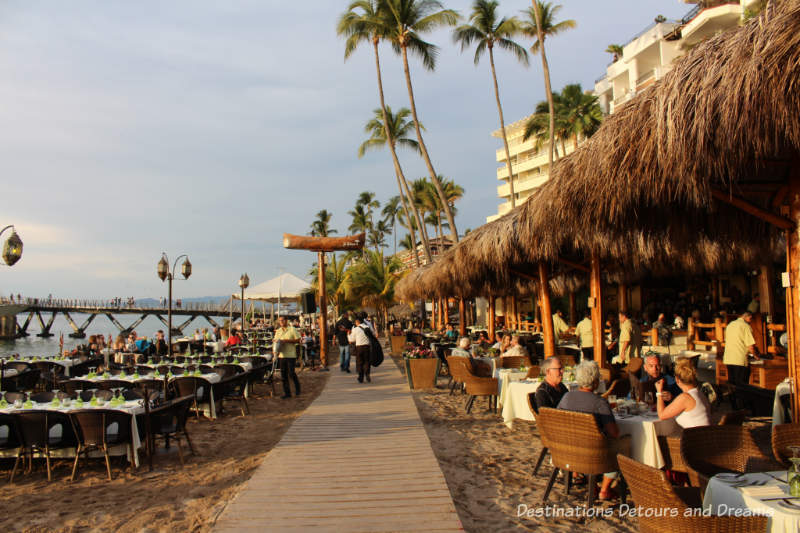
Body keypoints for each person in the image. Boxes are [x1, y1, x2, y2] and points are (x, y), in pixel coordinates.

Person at [557, 361, 628, 501]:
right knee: (622, 446)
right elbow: (614, 433)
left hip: (567, 451)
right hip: (592, 456)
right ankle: (604, 489)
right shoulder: (599, 402)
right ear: (595, 381)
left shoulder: (566, 397)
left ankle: (593, 484)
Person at [654, 358, 711, 428]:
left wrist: (659, 392)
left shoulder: (685, 397)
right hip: (705, 435)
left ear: (677, 379)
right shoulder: (699, 393)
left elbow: (661, 415)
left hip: (696, 437)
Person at [723, 310, 760, 392]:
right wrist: (756, 356)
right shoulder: (745, 326)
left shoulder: (730, 325)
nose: (751, 321)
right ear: (746, 316)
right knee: (741, 386)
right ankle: (741, 404)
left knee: (732, 384)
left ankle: (733, 403)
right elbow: (750, 346)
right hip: (739, 359)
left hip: (729, 358)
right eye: (751, 319)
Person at [274, 315, 301, 399]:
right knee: (283, 375)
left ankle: (297, 388)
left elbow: (298, 339)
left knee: (291, 373)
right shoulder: (278, 331)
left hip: (291, 355)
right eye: (280, 320)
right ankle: (287, 393)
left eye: (282, 320)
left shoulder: (292, 329)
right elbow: (275, 342)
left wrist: (286, 341)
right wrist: (275, 349)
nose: (281, 322)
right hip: (282, 355)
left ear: (286, 321)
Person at [351, 315, 372, 383]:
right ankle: (367, 374)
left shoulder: (355, 329)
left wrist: (348, 335)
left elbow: (352, 340)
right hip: (367, 346)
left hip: (359, 347)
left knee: (359, 362)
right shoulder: (367, 327)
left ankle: (361, 377)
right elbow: (372, 335)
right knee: (367, 361)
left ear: (357, 322)